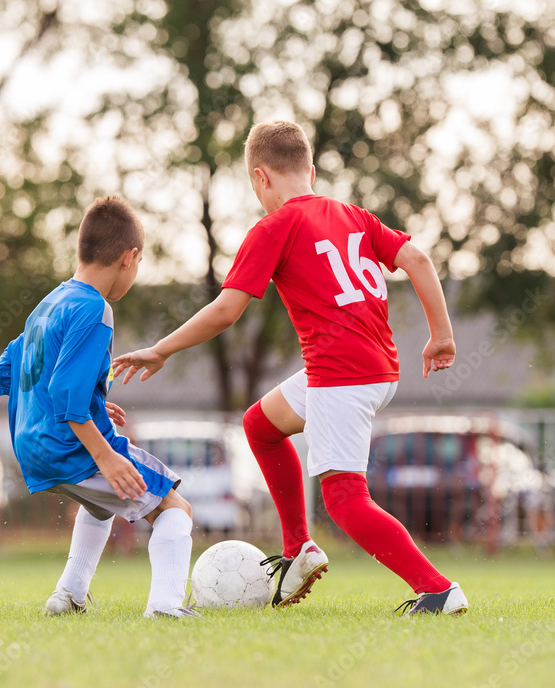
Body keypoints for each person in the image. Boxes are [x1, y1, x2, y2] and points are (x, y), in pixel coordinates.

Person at [113, 121, 468, 616]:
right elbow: (418, 259)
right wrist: (441, 336)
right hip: (379, 368)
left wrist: (162, 350)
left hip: (340, 376)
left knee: (345, 501)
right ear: (312, 170)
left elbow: (225, 311)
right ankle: (299, 546)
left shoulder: (274, 226)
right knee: (259, 425)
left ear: (260, 178)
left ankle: (438, 589)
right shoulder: (353, 215)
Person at [0, 196, 197, 619]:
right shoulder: (94, 309)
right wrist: (105, 455)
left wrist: (92, 400)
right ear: (129, 257)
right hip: (73, 447)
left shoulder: (47, 306)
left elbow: (6, 371)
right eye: (138, 266)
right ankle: (165, 606)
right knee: (175, 508)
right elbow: (67, 394)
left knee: (100, 505)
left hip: (31, 447)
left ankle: (68, 595)